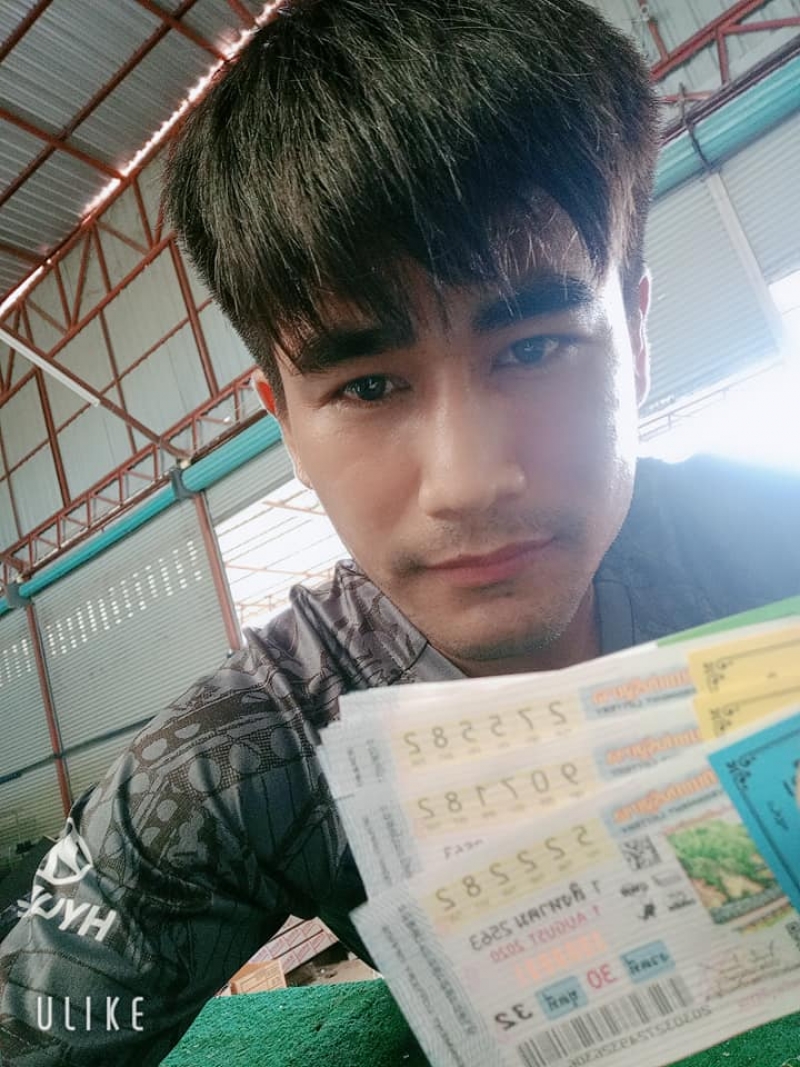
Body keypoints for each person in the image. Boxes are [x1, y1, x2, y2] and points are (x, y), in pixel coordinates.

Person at [1, 0, 798, 1063]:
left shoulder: (772, 544)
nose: (469, 482)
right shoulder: (238, 767)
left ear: (638, 338)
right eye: (368, 384)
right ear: (286, 423)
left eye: (536, 347)